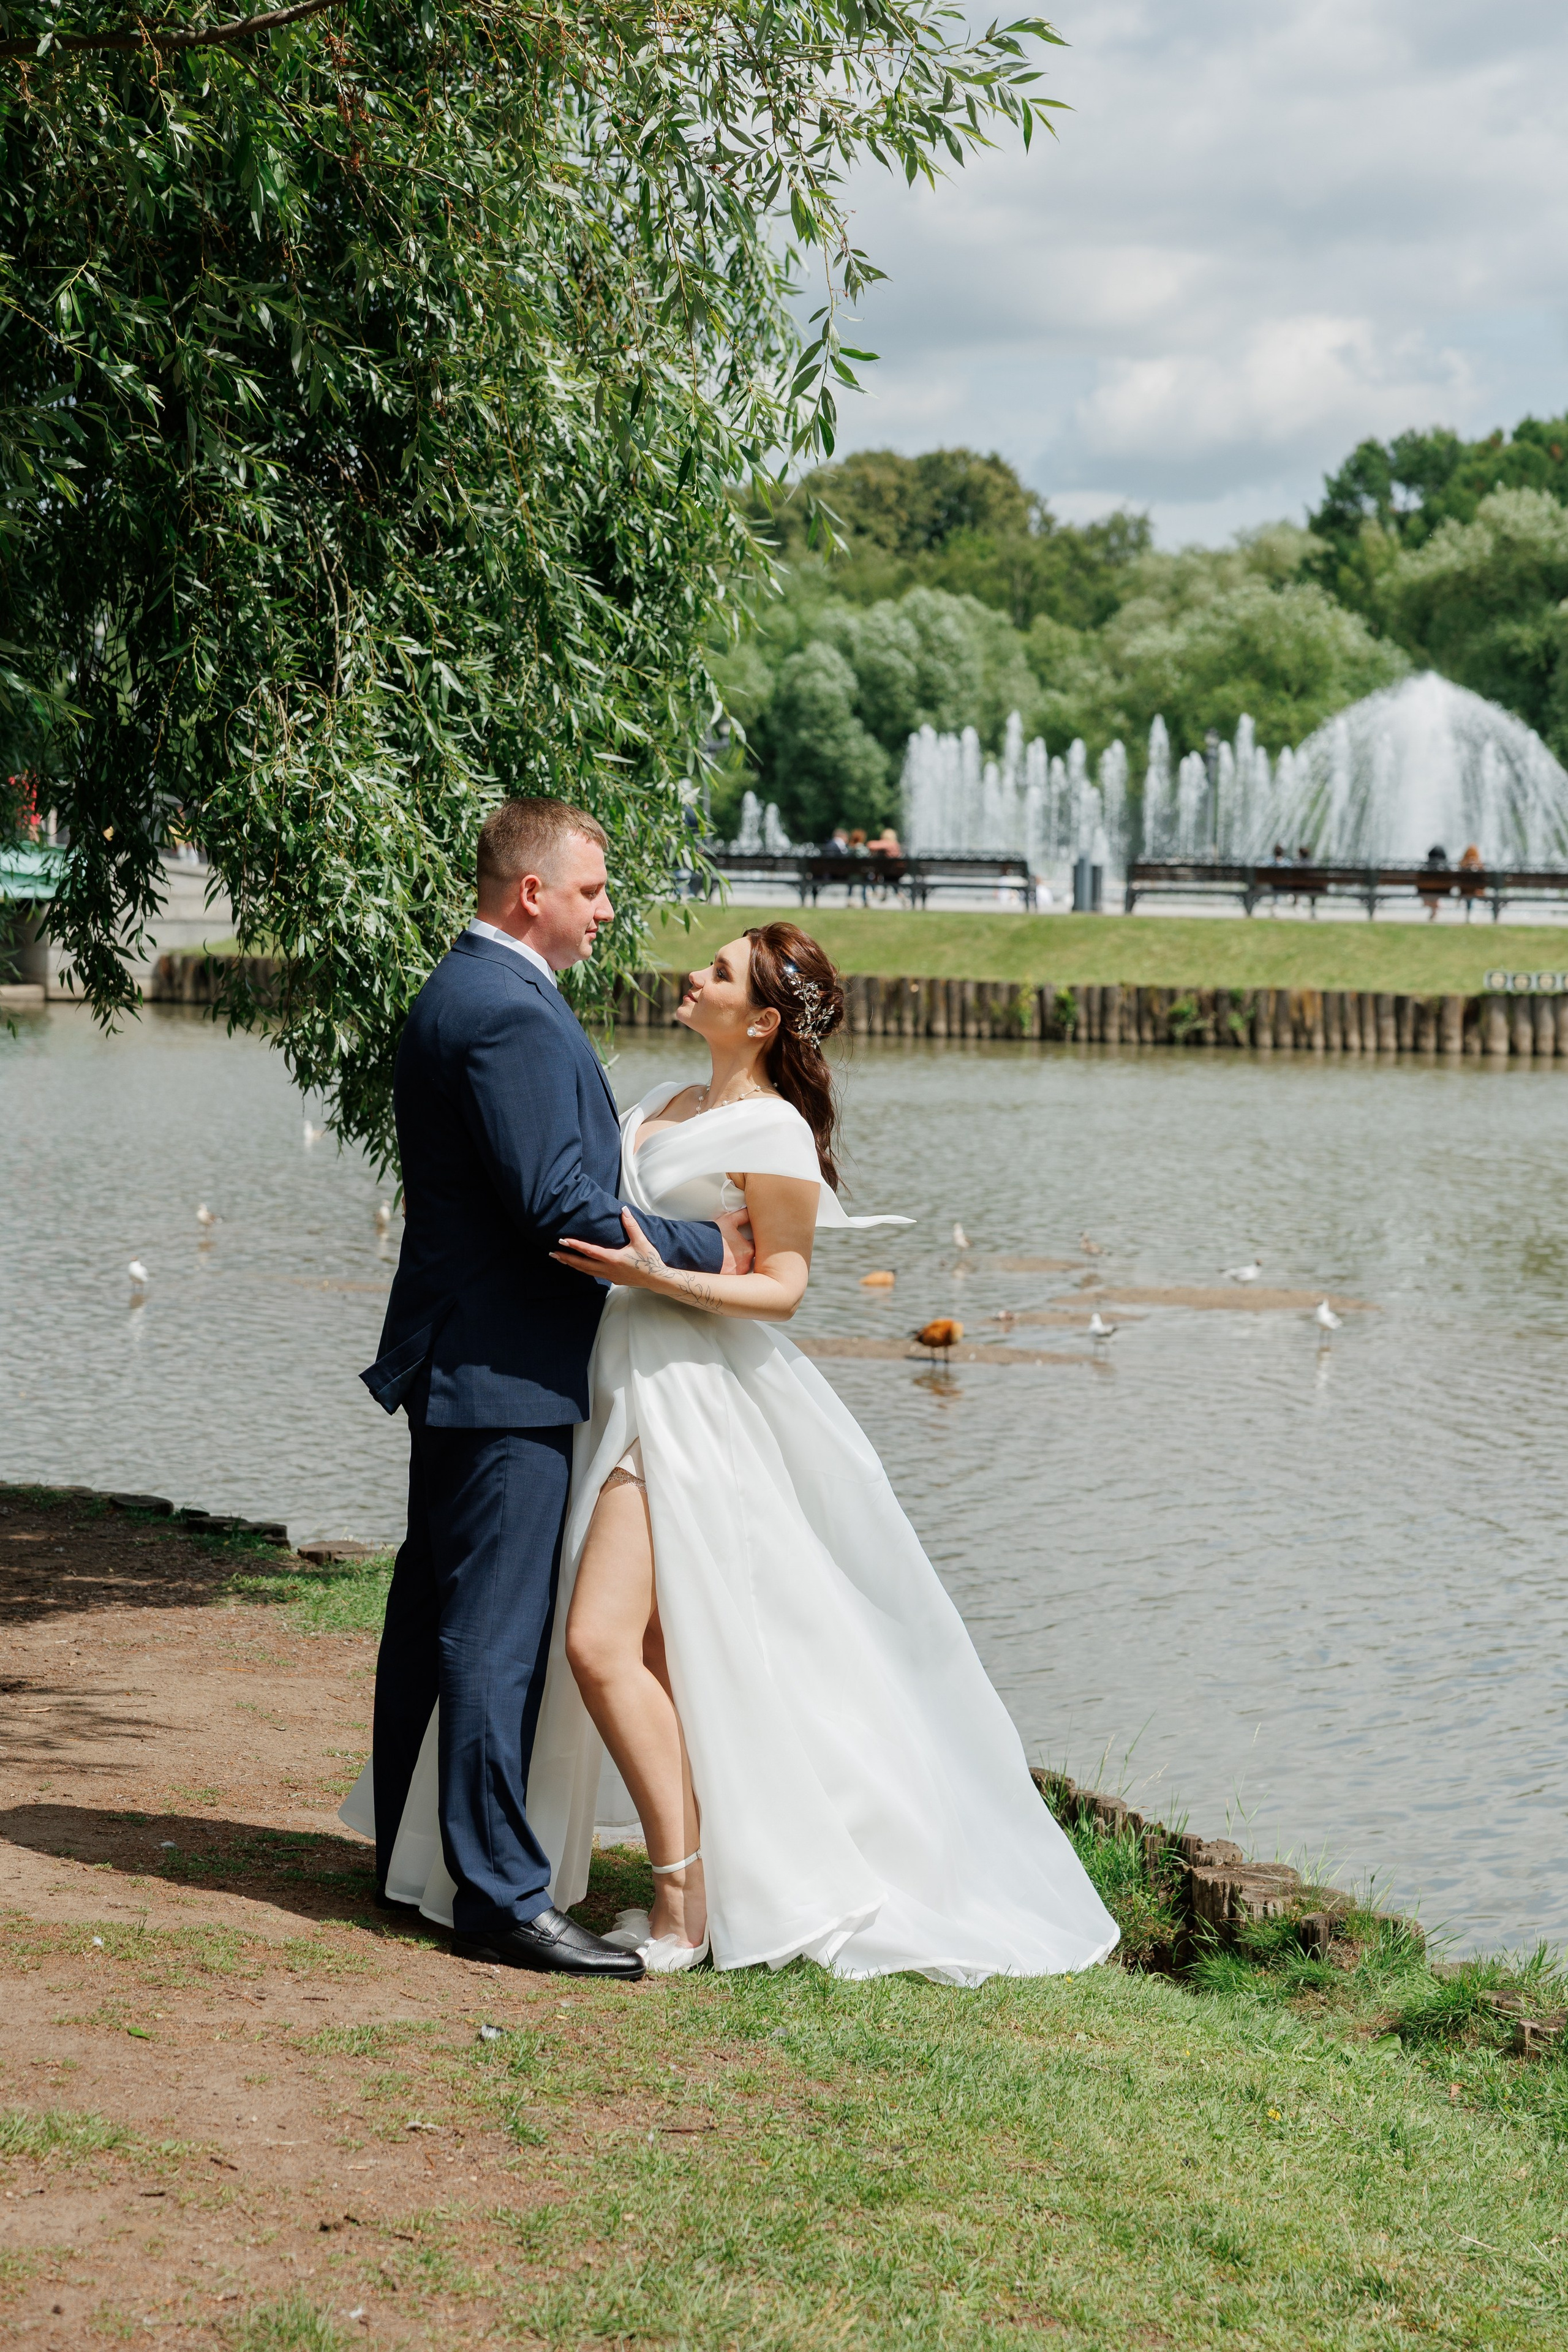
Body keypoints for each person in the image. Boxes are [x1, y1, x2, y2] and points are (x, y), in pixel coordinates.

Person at [358, 921, 1120, 1985]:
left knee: (598, 1643)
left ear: (761, 1020)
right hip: (602, 1377)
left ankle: (684, 1895)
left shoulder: (775, 1135)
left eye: (718, 972)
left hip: (683, 1395)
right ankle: (693, 1877)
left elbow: (785, 1287)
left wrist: (665, 1278)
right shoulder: (663, 1107)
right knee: (669, 1652)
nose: (693, 974)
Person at [349, 797, 752, 1982]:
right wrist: (704, 1251)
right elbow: (561, 1212)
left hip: (473, 1354)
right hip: (501, 1367)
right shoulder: (506, 1013)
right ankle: (497, 1897)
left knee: (431, 1615)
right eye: (592, 891)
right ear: (532, 893)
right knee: (493, 1635)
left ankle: (408, 1858)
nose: (607, 911)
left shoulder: (473, 992)